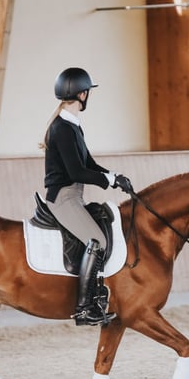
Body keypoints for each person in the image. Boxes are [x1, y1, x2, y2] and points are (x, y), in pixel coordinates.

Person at [42, 67, 134, 326]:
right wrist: (108, 180)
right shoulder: (62, 128)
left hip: (73, 195)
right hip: (63, 197)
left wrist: (114, 177)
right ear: (82, 94)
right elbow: (76, 171)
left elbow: (89, 163)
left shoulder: (71, 125)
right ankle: (84, 308)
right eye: (88, 92)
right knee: (97, 241)